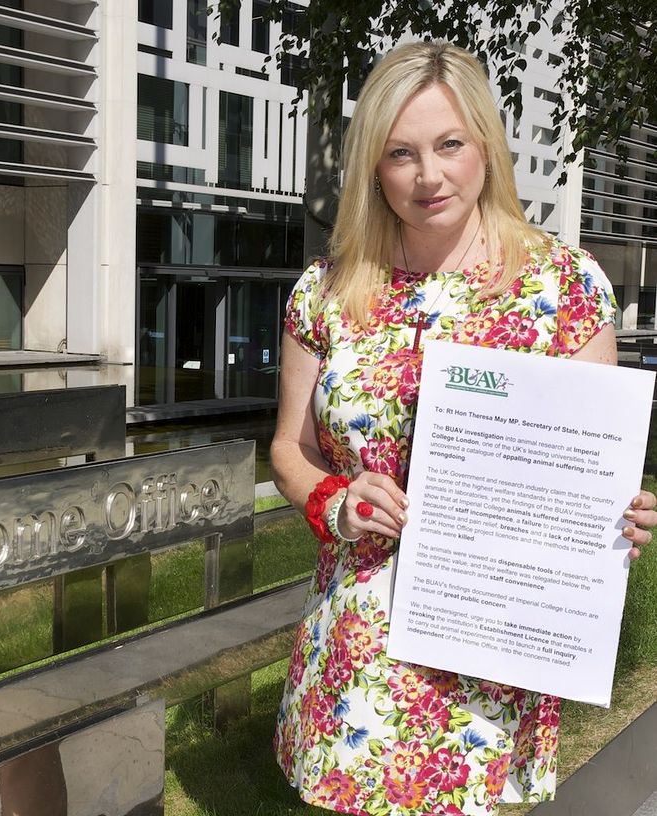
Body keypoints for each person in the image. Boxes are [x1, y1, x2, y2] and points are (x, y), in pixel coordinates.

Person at [270, 40, 657, 816]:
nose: (429, 176)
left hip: (493, 629)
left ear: (485, 143)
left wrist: (620, 510)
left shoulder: (563, 286)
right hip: (361, 629)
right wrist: (336, 502)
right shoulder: (329, 288)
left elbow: (589, 462)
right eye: (400, 153)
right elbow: (290, 450)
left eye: (449, 144)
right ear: (375, 168)